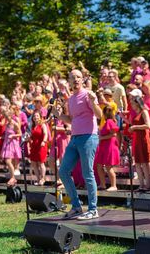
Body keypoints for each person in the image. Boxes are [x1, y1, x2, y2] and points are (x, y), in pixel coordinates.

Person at [52, 69, 102, 220]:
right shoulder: (71, 98)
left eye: (78, 77)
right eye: (73, 77)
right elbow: (72, 119)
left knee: (88, 174)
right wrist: (59, 115)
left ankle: (93, 209)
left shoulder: (88, 94)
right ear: (69, 80)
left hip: (88, 137)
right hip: (74, 138)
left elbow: (99, 115)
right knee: (63, 171)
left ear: (82, 79)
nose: (76, 79)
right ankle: (76, 206)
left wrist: (94, 102)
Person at [128, 92, 150, 191]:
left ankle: (147, 185)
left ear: (137, 103)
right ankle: (141, 184)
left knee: (145, 163)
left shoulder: (144, 112)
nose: (132, 106)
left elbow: (148, 125)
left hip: (143, 138)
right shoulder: (137, 113)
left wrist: (134, 127)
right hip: (137, 139)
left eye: (133, 103)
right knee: (137, 162)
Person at [95, 106, 120, 191]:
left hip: (109, 146)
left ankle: (114, 185)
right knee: (99, 165)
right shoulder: (107, 122)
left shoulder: (110, 121)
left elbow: (114, 134)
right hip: (104, 147)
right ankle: (103, 184)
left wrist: (101, 138)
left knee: (109, 167)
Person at [0, 110, 22, 186]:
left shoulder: (15, 124)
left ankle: (13, 177)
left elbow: (20, 134)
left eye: (7, 116)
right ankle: (12, 177)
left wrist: (13, 136)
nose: (6, 118)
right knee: (8, 161)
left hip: (13, 144)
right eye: (5, 117)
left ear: (11, 115)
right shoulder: (7, 124)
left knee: (8, 161)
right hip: (7, 143)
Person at [29, 111, 48, 186]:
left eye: (37, 116)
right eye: (34, 116)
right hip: (34, 146)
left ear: (40, 117)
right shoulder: (33, 126)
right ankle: (38, 179)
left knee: (41, 163)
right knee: (34, 163)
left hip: (41, 145)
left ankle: (43, 179)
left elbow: (45, 134)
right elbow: (32, 136)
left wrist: (44, 141)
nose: (35, 117)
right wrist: (28, 138)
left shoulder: (42, 125)